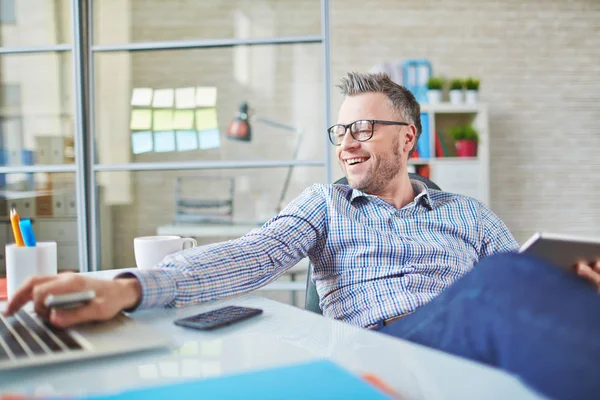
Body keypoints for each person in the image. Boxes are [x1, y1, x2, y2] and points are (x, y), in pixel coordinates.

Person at [5, 72, 600, 399]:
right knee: (497, 282)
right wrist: (132, 287)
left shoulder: (467, 213)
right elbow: (253, 255)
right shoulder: (325, 204)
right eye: (340, 130)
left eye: (364, 127)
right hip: (385, 345)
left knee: (513, 279)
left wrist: (574, 282)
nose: (346, 141)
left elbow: (528, 278)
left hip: (470, 343)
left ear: (408, 138)